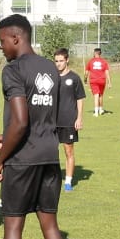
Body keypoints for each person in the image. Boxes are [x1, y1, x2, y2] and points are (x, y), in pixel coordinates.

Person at [0, 14, 71, 239]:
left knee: (13, 226)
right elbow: (44, 118)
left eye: (1, 41)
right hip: (50, 156)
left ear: (15, 37)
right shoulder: (51, 67)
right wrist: (5, 134)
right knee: (50, 225)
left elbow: (21, 121)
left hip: (22, 160)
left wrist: (0, 159)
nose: (0, 47)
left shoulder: (13, 70)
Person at [53, 49, 86, 191]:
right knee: (50, 152)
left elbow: (80, 98)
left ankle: (68, 181)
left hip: (68, 121)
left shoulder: (74, 78)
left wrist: (79, 118)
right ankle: (52, 179)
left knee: (68, 152)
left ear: (67, 60)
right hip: (52, 121)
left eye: (61, 61)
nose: (58, 64)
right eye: (56, 61)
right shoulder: (52, 77)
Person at [85, 47, 111, 116]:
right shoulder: (104, 61)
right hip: (102, 80)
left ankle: (96, 112)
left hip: (93, 80)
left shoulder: (90, 61)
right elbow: (107, 72)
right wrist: (109, 82)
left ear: (94, 53)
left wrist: (85, 80)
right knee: (101, 95)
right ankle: (101, 109)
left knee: (96, 95)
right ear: (100, 53)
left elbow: (86, 72)